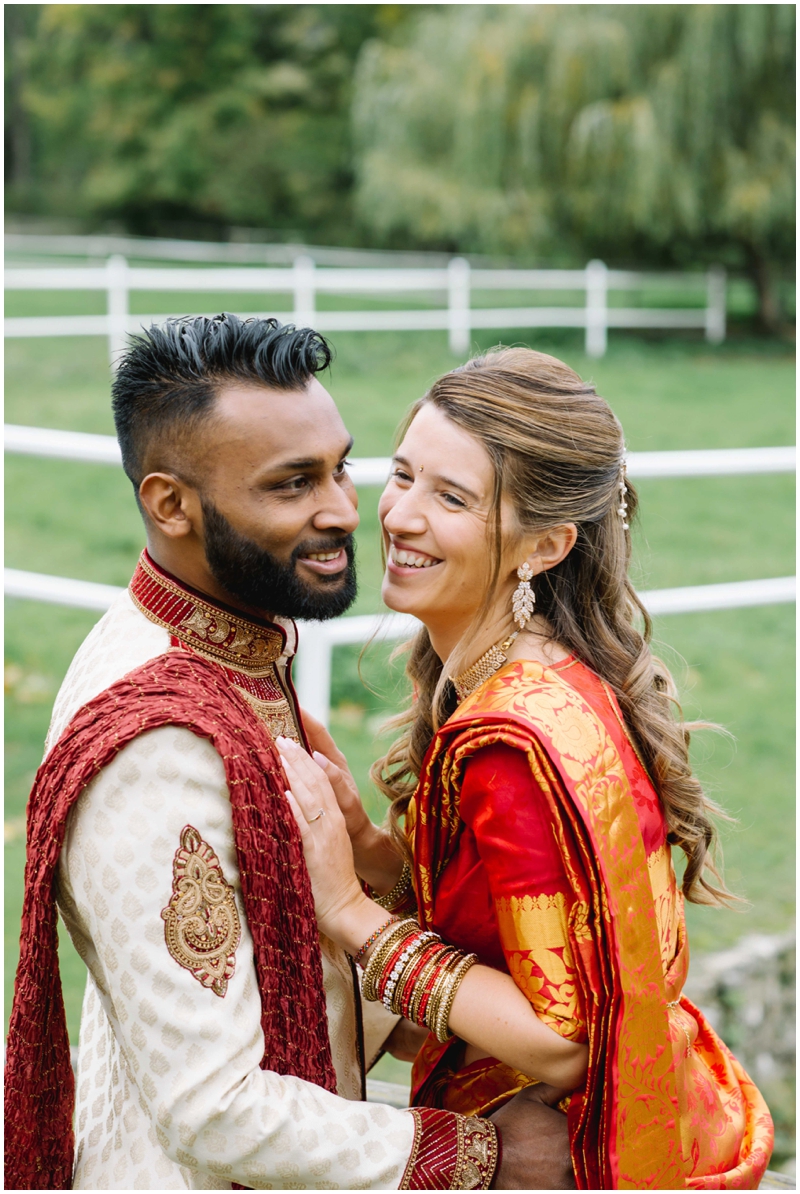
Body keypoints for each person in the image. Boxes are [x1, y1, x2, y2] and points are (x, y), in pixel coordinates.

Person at [5, 316, 576, 1191]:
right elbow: (214, 1106)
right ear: (170, 504)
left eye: (341, 466)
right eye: (291, 485)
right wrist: (479, 1158)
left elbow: (288, 983)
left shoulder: (232, 644)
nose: (346, 510)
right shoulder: (157, 747)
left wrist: (386, 899)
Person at [277, 347, 775, 1190]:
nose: (399, 515)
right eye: (401, 474)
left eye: (452, 497)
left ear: (544, 545)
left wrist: (349, 914)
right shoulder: (527, 680)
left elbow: (563, 1036)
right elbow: (506, 927)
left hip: (570, 1148)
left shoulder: (515, 738)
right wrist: (365, 841)